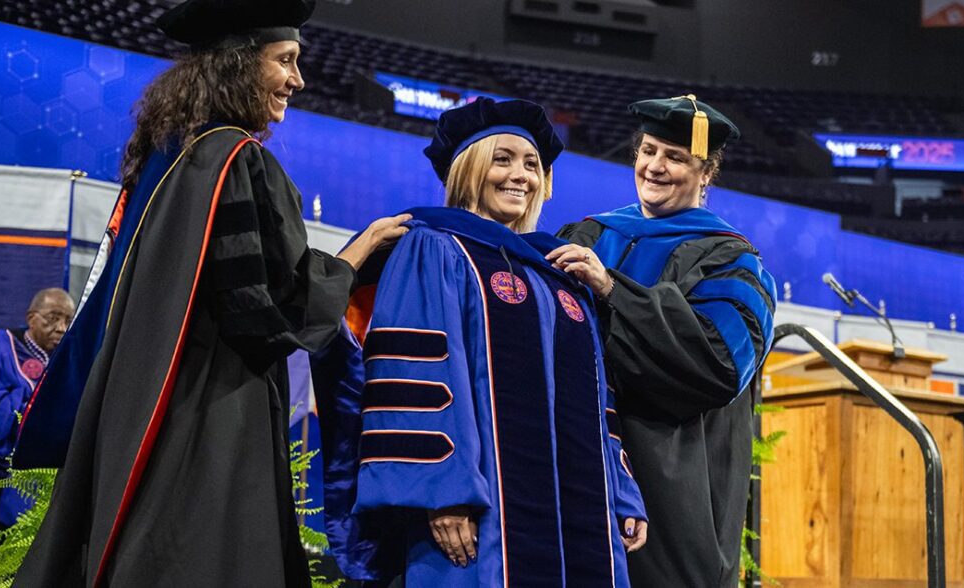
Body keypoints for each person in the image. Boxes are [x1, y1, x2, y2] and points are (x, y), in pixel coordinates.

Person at [11, 0, 409, 585]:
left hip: (141, 407)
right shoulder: (237, 160)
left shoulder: (170, 157)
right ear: (239, 64)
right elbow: (266, 315)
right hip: (213, 412)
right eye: (285, 60)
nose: (298, 79)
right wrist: (358, 254)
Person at [313, 97, 646, 587]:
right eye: (502, 159)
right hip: (477, 514)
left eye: (531, 164)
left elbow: (599, 397)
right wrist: (441, 493)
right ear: (469, 170)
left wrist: (620, 491)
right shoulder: (434, 247)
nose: (520, 176)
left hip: (582, 519)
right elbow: (416, 374)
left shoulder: (560, 273)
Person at [549, 95, 776, 587]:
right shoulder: (590, 236)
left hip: (672, 498)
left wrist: (613, 291)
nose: (654, 166)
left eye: (675, 156)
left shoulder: (732, 264)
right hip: (578, 472)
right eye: (648, 150)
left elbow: (718, 365)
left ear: (706, 173)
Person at [0, 288, 73, 532]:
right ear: (31, 317)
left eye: (68, 321)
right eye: (53, 318)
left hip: (46, 476)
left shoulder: (69, 361)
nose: (61, 328)